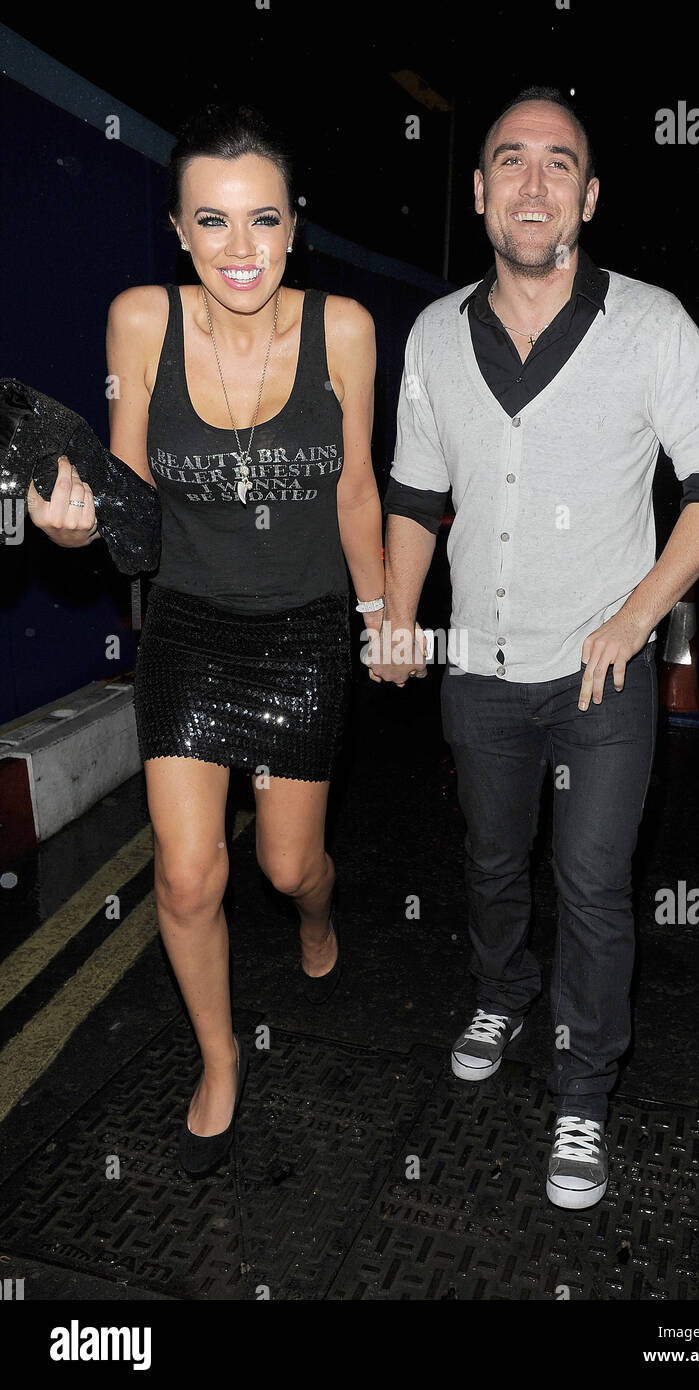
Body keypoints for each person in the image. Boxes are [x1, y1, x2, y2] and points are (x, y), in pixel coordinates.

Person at [372, 86, 699, 1209]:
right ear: (481, 190)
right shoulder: (435, 332)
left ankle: (583, 1093)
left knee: (592, 884)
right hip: (479, 670)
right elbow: (412, 487)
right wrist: (398, 604)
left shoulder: (649, 322)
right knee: (492, 862)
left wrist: (637, 616)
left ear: (588, 196)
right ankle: (503, 985)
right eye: (510, 162)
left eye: (558, 165)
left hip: (604, 676)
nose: (532, 184)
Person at [26, 103, 385, 1174]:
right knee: (187, 877)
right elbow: (131, 500)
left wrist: (379, 618)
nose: (242, 249)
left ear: (293, 228)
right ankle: (221, 1055)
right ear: (179, 231)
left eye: (263, 220)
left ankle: (320, 910)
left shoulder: (345, 330)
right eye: (213, 223)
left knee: (285, 862)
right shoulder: (143, 321)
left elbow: (358, 488)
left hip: (306, 629)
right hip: (187, 624)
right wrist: (78, 520)